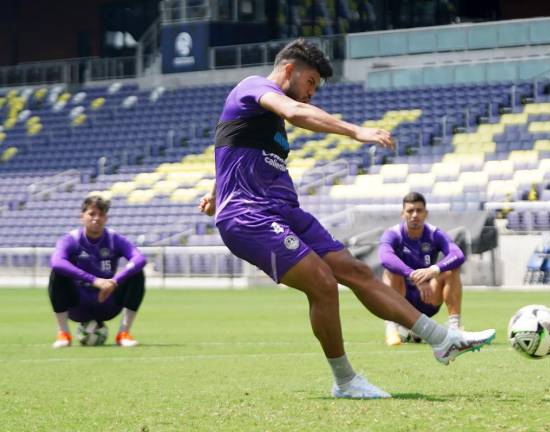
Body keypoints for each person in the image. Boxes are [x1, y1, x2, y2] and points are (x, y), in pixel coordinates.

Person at [197, 38, 495, 399]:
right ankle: (345, 381)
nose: (311, 94)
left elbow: (233, 145)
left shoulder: (265, 119)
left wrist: (216, 191)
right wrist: (356, 131)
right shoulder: (254, 88)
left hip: (286, 211)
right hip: (250, 215)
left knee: (354, 271)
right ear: (289, 70)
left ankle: (443, 340)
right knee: (322, 283)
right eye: (310, 84)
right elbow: (293, 111)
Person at [49, 195, 147, 348]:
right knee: (57, 273)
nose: (96, 218)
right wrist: (95, 280)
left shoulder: (114, 238)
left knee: (137, 272)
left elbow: (139, 258)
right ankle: (64, 334)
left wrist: (115, 281)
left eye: (101, 215)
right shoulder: (71, 239)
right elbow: (56, 262)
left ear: (106, 219)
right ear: (82, 217)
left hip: (107, 303)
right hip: (77, 305)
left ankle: (123, 333)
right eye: (92, 214)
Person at [379, 192, 466, 346]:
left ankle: (454, 327)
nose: (414, 215)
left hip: (428, 297)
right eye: (410, 211)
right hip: (402, 299)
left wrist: (434, 270)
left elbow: (457, 254)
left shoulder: (435, 234)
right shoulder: (393, 234)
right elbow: (384, 257)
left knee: (452, 270)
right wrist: (412, 274)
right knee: (389, 271)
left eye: (419, 210)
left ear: (426, 213)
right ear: (402, 213)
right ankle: (392, 326)